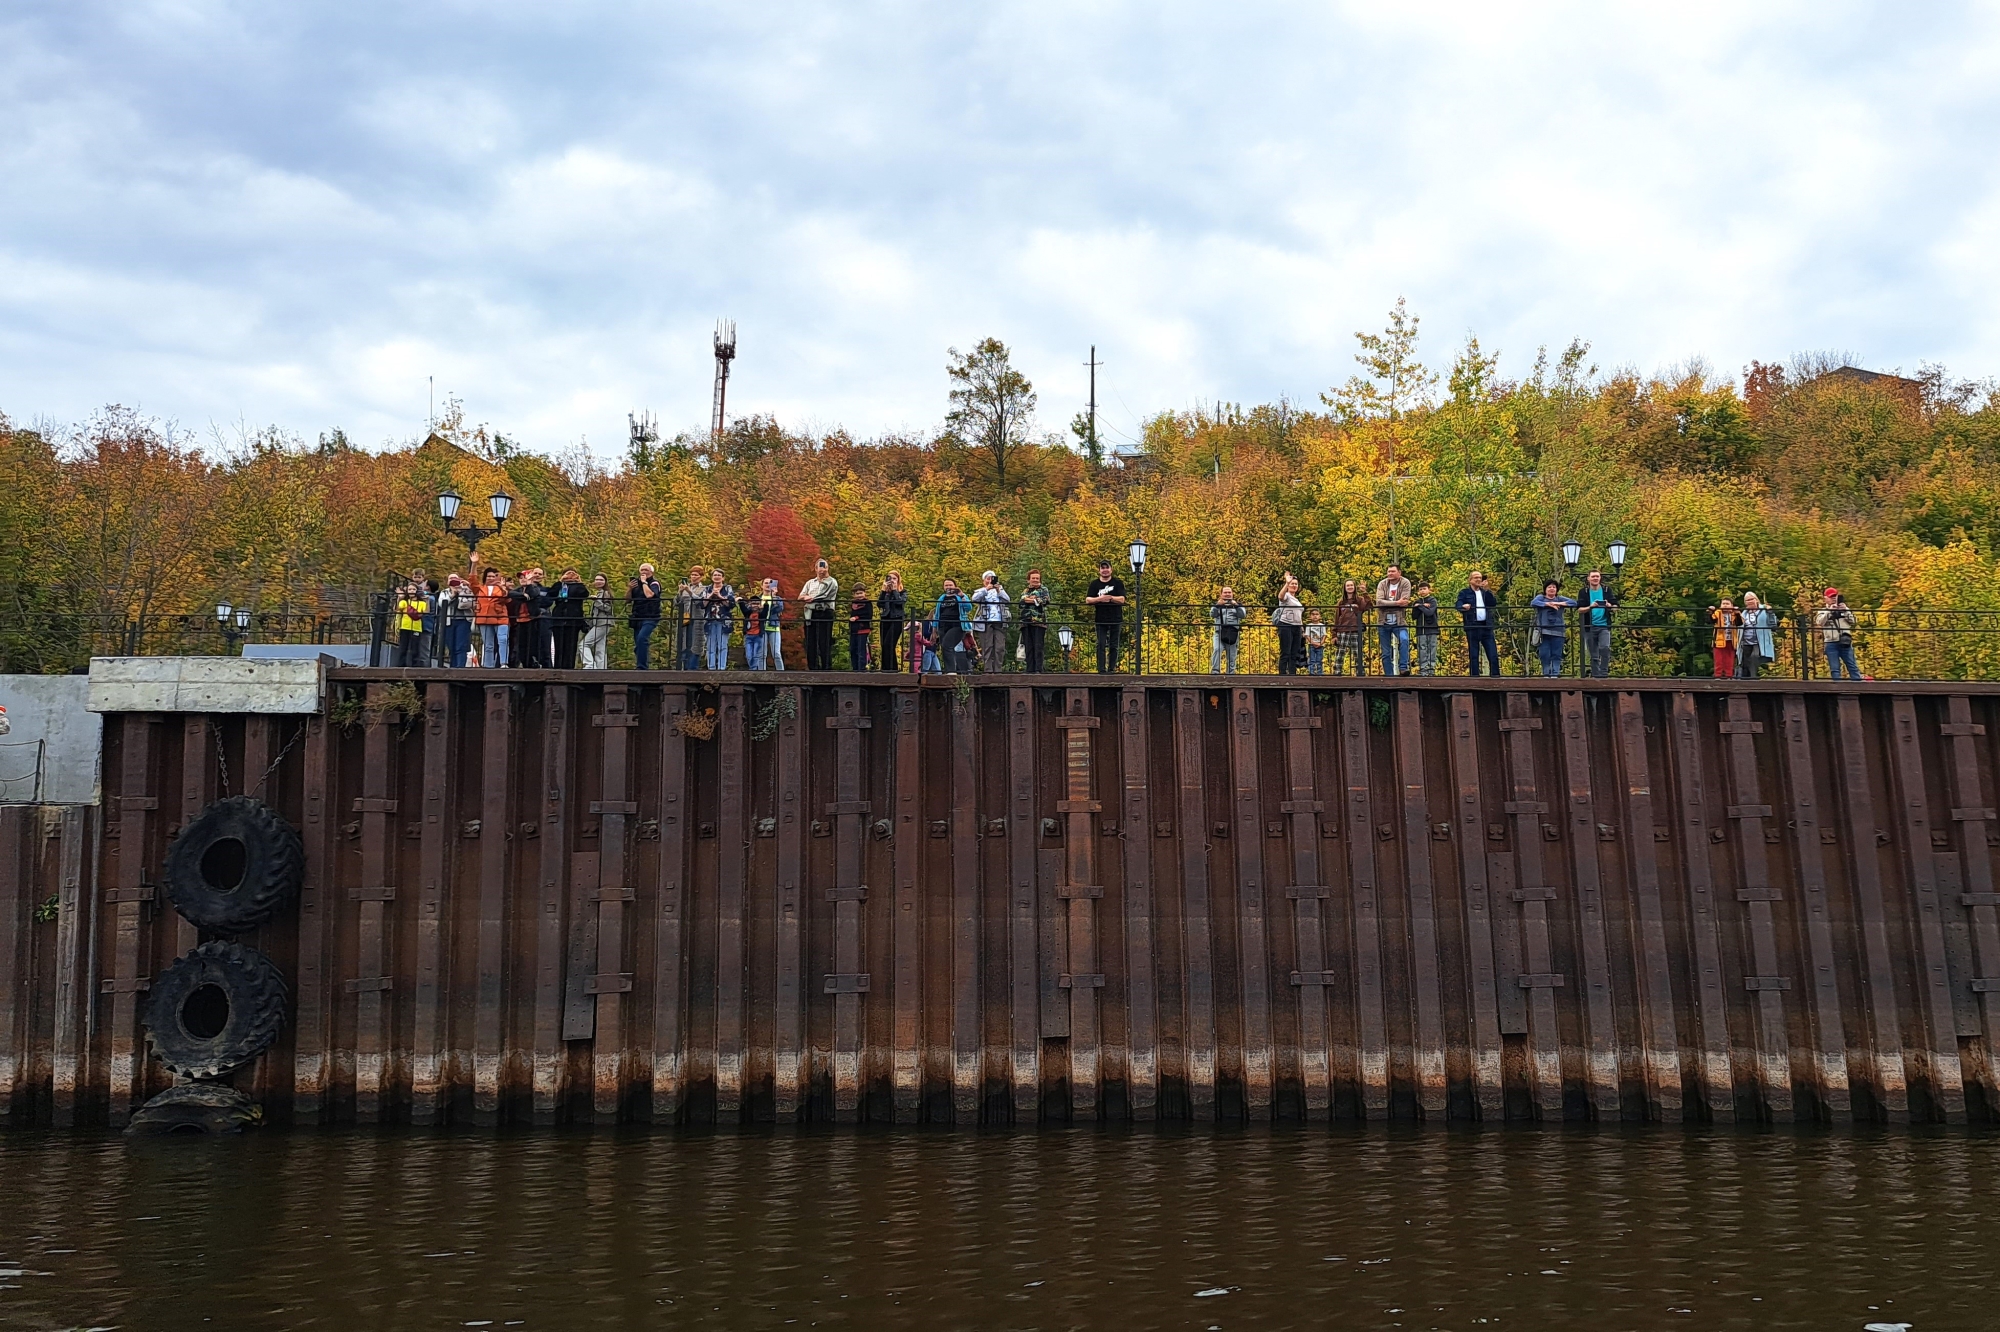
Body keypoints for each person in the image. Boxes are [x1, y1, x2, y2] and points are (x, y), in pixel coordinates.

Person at [1456, 570, 1501, 677]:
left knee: (1493, 654)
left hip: (1486, 626)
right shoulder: (1464, 593)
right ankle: (1474, 677)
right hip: (1472, 626)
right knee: (1474, 655)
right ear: (1470, 580)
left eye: (1480, 578)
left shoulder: (1485, 592)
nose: (1478, 579)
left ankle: (1495, 676)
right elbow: (1458, 604)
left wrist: (1488, 590)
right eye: (1476, 577)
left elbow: (1493, 603)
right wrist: (1463, 607)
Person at [1085, 562, 1127, 673]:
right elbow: (1088, 600)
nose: (1105, 570)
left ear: (1111, 570)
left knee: (1114, 645)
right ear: (1099, 570)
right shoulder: (1094, 584)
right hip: (1100, 619)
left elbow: (1122, 599)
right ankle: (1101, 669)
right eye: (1102, 568)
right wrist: (1100, 599)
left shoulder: (1117, 583)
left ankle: (1111, 668)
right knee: (1101, 644)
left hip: (1116, 618)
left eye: (1107, 568)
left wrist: (1111, 598)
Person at [1375, 564, 1413, 676]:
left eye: (1392, 571)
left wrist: (1389, 604)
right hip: (1383, 621)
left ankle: (1403, 667)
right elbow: (1379, 602)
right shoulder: (1382, 583)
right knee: (1386, 651)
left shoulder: (1405, 583)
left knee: (1404, 640)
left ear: (1399, 573)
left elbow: (1405, 601)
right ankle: (1389, 675)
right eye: (1388, 571)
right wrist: (1397, 603)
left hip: (1399, 620)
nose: (1390, 574)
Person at [800, 559, 839, 671]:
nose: (822, 570)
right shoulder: (810, 583)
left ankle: (826, 668)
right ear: (815, 569)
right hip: (810, 613)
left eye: (825, 567)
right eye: (820, 567)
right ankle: (812, 668)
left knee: (824, 641)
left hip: (825, 612)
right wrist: (806, 597)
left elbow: (825, 595)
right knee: (810, 642)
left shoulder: (832, 582)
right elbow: (801, 596)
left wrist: (810, 598)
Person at [1530, 580, 1574, 677]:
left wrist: (1560, 604)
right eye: (1549, 587)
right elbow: (1533, 602)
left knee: (1557, 654)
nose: (1552, 589)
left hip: (1558, 631)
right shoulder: (1541, 598)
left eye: (1554, 587)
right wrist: (1547, 604)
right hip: (1543, 632)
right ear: (1545, 589)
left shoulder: (1559, 599)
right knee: (1544, 654)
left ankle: (1555, 674)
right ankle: (1546, 674)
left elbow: (1573, 602)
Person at [971, 570, 1011, 673]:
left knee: (999, 647)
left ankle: (998, 670)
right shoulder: (981, 590)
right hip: (985, 622)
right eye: (987, 579)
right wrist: (986, 589)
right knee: (987, 646)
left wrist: (999, 590)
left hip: (999, 622)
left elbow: (1007, 600)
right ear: (984, 580)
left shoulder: (1000, 590)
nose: (990, 581)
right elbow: (974, 599)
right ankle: (988, 670)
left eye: (992, 579)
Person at [1816, 588, 1860, 679]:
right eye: (1831, 597)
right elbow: (1819, 622)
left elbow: (1853, 621)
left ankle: (1858, 687)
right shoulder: (1822, 611)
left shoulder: (1844, 608)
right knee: (1835, 669)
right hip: (1831, 642)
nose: (1833, 598)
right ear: (1825, 598)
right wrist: (1829, 612)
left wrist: (1846, 611)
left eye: (1835, 596)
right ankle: (1838, 689)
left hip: (1845, 641)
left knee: (1853, 667)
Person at [1579, 571, 1615, 678]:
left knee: (1605, 648)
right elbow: (1580, 609)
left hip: (1604, 625)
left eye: (1597, 576)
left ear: (1600, 578)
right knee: (1593, 653)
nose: (1595, 578)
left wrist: (1609, 605)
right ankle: (1595, 675)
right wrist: (1590, 607)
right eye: (1593, 576)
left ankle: (1604, 673)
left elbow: (1616, 607)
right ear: (1588, 578)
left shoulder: (1607, 590)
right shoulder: (1584, 592)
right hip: (1589, 626)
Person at [933, 579, 974, 674]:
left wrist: (962, 595)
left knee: (947, 645)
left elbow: (968, 608)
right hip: (943, 625)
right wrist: (934, 630)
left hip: (957, 625)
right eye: (946, 585)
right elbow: (937, 614)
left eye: (950, 585)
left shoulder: (959, 597)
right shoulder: (941, 598)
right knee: (944, 648)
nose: (948, 587)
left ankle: (951, 672)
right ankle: (949, 671)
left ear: (955, 586)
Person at [550, 568, 587, 670]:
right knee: (559, 644)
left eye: (572, 574)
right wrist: (561, 583)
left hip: (573, 619)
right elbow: (551, 594)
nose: (570, 575)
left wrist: (573, 584)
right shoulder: (559, 586)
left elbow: (583, 593)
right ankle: (558, 666)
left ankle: (569, 667)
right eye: (567, 574)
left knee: (570, 645)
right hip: (558, 618)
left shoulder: (579, 587)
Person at [628, 563, 663, 670]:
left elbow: (649, 595)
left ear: (651, 572)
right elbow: (627, 600)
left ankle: (642, 667)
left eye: (646, 570)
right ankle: (641, 662)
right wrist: (629, 589)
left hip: (651, 616)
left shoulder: (654, 583)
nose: (643, 572)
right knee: (638, 643)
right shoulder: (635, 584)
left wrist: (644, 582)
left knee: (642, 638)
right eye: (642, 570)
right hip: (637, 616)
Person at [475, 568, 510, 669]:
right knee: (488, 644)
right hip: (485, 618)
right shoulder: (481, 589)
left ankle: (504, 663)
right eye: (489, 576)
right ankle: (488, 666)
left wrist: (503, 588)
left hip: (501, 618)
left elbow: (506, 600)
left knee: (503, 640)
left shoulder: (500, 588)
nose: (491, 578)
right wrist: (474, 564)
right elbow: (472, 580)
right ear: (485, 577)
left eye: (493, 576)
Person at [1332, 580, 1368, 676]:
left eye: (1351, 585)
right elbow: (1336, 618)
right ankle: (1337, 672)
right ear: (1344, 587)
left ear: (1354, 587)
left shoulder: (1359, 600)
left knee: (1358, 653)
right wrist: (1334, 634)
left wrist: (1365, 592)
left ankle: (1360, 673)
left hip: (1356, 629)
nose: (1350, 587)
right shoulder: (1341, 602)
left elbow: (1369, 606)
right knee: (1340, 652)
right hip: (1342, 629)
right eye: (1348, 585)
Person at [702, 569, 736, 670]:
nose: (717, 577)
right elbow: (703, 604)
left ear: (723, 577)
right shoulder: (707, 588)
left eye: (719, 575)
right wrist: (712, 595)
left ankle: (722, 668)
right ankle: (711, 667)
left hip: (723, 621)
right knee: (710, 646)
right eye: (715, 575)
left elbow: (730, 604)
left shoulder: (727, 588)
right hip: (710, 620)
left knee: (722, 645)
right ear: (712, 577)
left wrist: (720, 596)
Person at [440, 573, 476, 668]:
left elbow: (472, 602)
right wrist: (452, 594)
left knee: (461, 646)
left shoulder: (466, 590)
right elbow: (441, 603)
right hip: (449, 621)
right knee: (451, 646)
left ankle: (460, 668)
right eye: (450, 579)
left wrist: (464, 590)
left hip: (463, 621)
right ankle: (453, 667)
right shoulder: (444, 592)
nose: (453, 581)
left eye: (455, 579)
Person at [1018, 570, 1051, 673]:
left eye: (1037, 578)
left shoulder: (1044, 589)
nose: (1035, 580)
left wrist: (1031, 599)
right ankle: (1029, 669)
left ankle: (1038, 669)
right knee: (1028, 646)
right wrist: (1035, 600)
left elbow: (1046, 601)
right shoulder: (1025, 590)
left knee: (1038, 646)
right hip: (1026, 621)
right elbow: (1021, 602)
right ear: (1029, 580)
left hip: (1039, 621)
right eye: (1033, 578)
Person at [1210, 586, 1247, 674]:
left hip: (1232, 633)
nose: (1227, 594)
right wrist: (1217, 605)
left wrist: (1236, 606)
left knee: (1232, 654)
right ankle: (1215, 671)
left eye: (1229, 592)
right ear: (1221, 594)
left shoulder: (1238, 605)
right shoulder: (1217, 604)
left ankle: (1231, 673)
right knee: (1217, 649)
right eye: (1225, 592)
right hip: (1219, 632)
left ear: (1232, 594)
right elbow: (1212, 614)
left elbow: (1243, 615)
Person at [1272, 574, 1304, 675]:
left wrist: (1302, 628)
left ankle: (1292, 674)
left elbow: (1298, 615)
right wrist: (1287, 583)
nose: (1294, 585)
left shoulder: (1296, 600)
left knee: (1294, 653)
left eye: (1296, 584)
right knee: (1285, 652)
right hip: (1286, 625)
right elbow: (1280, 596)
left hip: (1296, 627)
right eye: (1292, 584)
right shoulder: (1287, 596)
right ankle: (1282, 675)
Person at [581, 573, 614, 669]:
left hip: (603, 623)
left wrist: (596, 601)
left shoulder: (605, 593)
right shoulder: (600, 593)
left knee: (583, 645)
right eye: (596, 580)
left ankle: (590, 665)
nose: (598, 582)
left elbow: (608, 609)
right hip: (600, 623)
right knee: (600, 648)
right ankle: (601, 669)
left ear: (605, 582)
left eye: (601, 580)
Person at [1739, 591, 1775, 679]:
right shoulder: (1744, 613)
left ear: (1756, 600)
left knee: (1755, 657)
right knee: (1744, 661)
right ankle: (1745, 681)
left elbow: (1773, 624)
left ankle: (1754, 679)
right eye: (1747, 600)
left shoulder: (1764, 609)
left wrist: (1770, 612)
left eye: (1752, 599)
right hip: (1746, 641)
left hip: (1760, 641)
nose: (1750, 601)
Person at [675, 568, 704, 670]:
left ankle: (692, 669)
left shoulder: (704, 589)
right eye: (692, 575)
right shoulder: (685, 587)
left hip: (696, 619)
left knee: (695, 645)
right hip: (684, 619)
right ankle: (682, 668)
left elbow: (701, 602)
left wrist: (689, 592)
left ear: (701, 577)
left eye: (696, 575)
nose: (693, 577)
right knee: (682, 643)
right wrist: (680, 592)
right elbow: (676, 603)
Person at [878, 573, 908, 672]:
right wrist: (883, 590)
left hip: (897, 619)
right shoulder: (886, 593)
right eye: (890, 578)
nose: (892, 580)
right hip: (885, 618)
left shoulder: (902, 592)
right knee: (884, 645)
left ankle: (892, 669)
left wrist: (895, 590)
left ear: (899, 580)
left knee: (889, 644)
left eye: (894, 578)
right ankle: (885, 669)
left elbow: (900, 602)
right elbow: (880, 604)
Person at [394, 579, 427, 667]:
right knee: (403, 647)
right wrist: (400, 598)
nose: (412, 591)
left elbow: (424, 612)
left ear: (417, 591)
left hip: (416, 627)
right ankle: (401, 665)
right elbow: (398, 609)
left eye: (413, 589)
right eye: (410, 589)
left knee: (415, 648)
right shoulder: (405, 601)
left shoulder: (421, 603)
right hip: (405, 626)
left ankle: (415, 665)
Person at [742, 579, 773, 670]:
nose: (755, 605)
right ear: (750, 604)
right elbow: (742, 607)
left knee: (756, 654)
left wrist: (765, 603)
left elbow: (766, 611)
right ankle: (753, 669)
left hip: (758, 636)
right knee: (749, 655)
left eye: (757, 603)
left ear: (759, 604)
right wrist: (739, 600)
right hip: (748, 636)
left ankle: (753, 670)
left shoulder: (761, 614)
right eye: (753, 603)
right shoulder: (748, 613)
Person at [1708, 598, 1742, 678]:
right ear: (1720, 606)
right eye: (1723, 604)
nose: (1725, 605)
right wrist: (1710, 612)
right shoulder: (1718, 613)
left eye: (1727, 604)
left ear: (1732, 606)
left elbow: (1739, 623)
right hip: (1719, 640)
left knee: (1729, 660)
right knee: (1718, 659)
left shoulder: (1734, 613)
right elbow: (1711, 621)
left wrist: (1737, 613)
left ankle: (1729, 676)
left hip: (1731, 640)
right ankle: (1718, 676)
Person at [1412, 581, 1440, 676]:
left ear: (1429, 590)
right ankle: (1423, 669)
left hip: (1432, 628)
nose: (1422, 591)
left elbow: (1430, 612)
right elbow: (1414, 616)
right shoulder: (1417, 601)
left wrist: (1420, 606)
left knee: (1432, 648)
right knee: (1422, 648)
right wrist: (1420, 606)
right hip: (1421, 629)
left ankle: (1431, 669)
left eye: (1424, 589)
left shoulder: (1432, 600)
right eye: (1420, 589)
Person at [848, 584, 875, 670]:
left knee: (861, 650)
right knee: (853, 650)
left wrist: (857, 618)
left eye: (861, 593)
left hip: (863, 629)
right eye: (857, 593)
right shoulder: (853, 603)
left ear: (865, 593)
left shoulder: (867, 603)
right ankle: (855, 668)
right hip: (854, 629)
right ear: (854, 595)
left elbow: (868, 615)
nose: (859, 595)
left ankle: (861, 669)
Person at [763, 578, 787, 670]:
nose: (768, 585)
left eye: (770, 583)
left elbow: (778, 609)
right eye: (766, 583)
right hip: (762, 628)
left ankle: (781, 675)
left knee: (776, 653)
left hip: (774, 628)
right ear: (762, 585)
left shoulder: (778, 599)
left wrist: (773, 597)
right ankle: (761, 674)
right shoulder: (759, 598)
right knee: (762, 654)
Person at [1305, 610, 1327, 675]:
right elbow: (1307, 636)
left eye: (1317, 614)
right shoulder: (1309, 625)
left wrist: (1321, 643)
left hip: (1320, 646)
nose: (1315, 616)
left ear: (1320, 616)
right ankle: (1311, 673)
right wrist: (1313, 643)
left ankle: (1320, 673)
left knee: (1319, 660)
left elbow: (1324, 635)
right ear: (1310, 616)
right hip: (1311, 645)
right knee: (1312, 660)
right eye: (1313, 614)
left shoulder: (1322, 625)